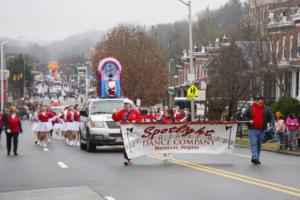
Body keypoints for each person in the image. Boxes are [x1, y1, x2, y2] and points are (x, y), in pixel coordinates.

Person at [112, 98, 142, 166]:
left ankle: (129, 157)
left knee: (131, 144)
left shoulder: (135, 112)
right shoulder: (122, 112)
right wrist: (114, 113)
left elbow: (140, 119)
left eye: (126, 105)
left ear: (130, 105)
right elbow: (115, 118)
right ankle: (126, 159)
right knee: (126, 145)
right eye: (124, 105)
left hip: (133, 132)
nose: (125, 106)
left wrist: (134, 122)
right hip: (124, 131)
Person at [244, 96, 273, 165]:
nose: (256, 101)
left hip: (262, 130)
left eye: (258, 99)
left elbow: (271, 117)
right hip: (252, 129)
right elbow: (244, 116)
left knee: (258, 145)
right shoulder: (250, 108)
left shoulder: (267, 109)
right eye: (255, 99)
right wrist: (248, 121)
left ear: (262, 100)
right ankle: (255, 157)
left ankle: (256, 158)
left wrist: (272, 123)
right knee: (253, 143)